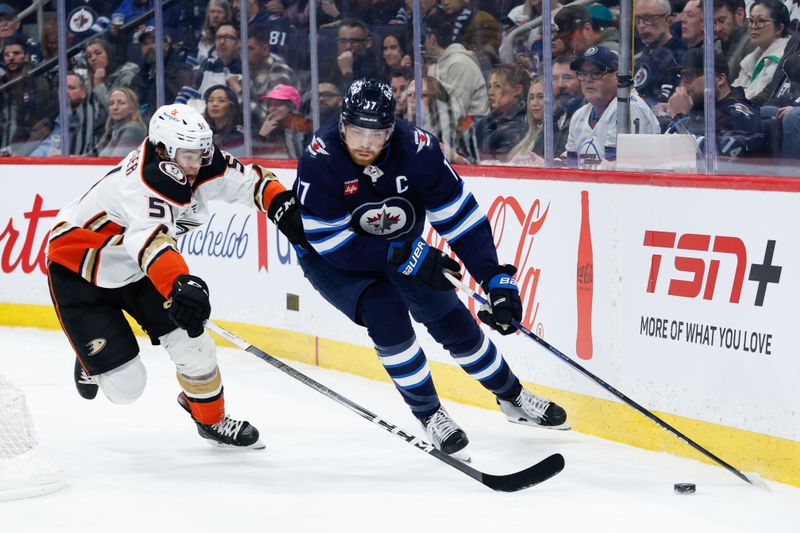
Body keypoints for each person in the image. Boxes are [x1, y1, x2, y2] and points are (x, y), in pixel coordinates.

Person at [291, 79, 568, 458]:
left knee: (451, 318)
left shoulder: (417, 150)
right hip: (335, 260)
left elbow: (460, 218)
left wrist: (494, 278)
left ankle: (513, 397)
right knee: (385, 313)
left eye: (377, 134)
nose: (366, 144)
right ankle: (430, 414)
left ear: (392, 129)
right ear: (342, 124)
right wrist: (404, 255)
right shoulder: (321, 157)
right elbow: (330, 242)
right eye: (357, 131)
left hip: (402, 247)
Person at [46, 102, 306, 449]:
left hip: (138, 269)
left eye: (202, 153)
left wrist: (279, 203)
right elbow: (150, 242)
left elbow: (251, 182)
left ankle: (210, 419)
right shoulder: (140, 185)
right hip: (81, 272)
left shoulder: (198, 161)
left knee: (194, 345)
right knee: (127, 390)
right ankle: (88, 358)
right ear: (161, 150)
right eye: (187, 156)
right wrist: (180, 284)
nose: (197, 164)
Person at [565, 46, 660, 167]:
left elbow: (614, 170)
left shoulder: (628, 107)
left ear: (618, 76)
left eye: (596, 73)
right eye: (583, 74)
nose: (588, 79)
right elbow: (571, 164)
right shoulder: (580, 115)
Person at [664, 48, 764, 161]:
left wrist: (679, 117)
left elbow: (716, 160)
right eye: (682, 75)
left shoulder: (740, 116)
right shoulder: (698, 107)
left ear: (720, 79)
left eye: (692, 74)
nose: (684, 82)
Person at [423, 12, 489, 119]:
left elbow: (458, 110)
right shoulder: (444, 63)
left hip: (474, 127)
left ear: (433, 40)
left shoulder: (458, 63)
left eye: (425, 38)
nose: (424, 44)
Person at [31, 72, 106, 157]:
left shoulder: (94, 118)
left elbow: (95, 153)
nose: (65, 92)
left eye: (71, 88)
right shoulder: (49, 116)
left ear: (83, 93)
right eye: (62, 88)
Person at [731, 0, 790, 103]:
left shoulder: (784, 59)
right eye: (751, 20)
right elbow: (734, 91)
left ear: (779, 28)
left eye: (760, 21)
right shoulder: (750, 58)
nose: (753, 26)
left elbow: (757, 98)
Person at [469, 64, 530, 162]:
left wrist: (458, 158)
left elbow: (499, 164)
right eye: (489, 86)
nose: (490, 92)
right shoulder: (490, 121)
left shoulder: (520, 126)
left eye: (497, 86)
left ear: (517, 90)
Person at [633, 0, 687, 107]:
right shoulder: (643, 56)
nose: (641, 25)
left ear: (666, 19)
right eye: (637, 19)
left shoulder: (680, 53)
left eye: (648, 18)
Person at [253, 83, 309, 158]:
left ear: (291, 107)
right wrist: (261, 136)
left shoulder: (304, 126)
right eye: (270, 104)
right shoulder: (263, 125)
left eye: (278, 104)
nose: (272, 108)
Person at [84, 38, 140, 112]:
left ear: (109, 53)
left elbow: (119, 110)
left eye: (98, 53)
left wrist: (98, 85)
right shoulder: (90, 80)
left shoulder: (127, 72)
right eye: (89, 56)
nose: (93, 58)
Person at [94, 87, 148, 157]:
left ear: (132, 108)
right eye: (111, 103)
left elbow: (117, 160)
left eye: (121, 103)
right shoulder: (112, 129)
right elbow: (94, 153)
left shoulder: (133, 129)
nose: (115, 107)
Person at [507, 77, 545, 164]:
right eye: (531, 98)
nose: (534, 103)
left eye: (541, 97)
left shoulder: (552, 135)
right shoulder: (525, 131)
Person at [713, 0, 755, 80]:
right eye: (714, 23)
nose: (717, 29)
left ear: (740, 14)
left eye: (722, 21)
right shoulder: (717, 45)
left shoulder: (752, 42)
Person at [203, 84, 245, 151]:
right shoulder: (204, 132)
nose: (214, 104)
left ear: (231, 106)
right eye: (211, 100)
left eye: (221, 101)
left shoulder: (238, 135)